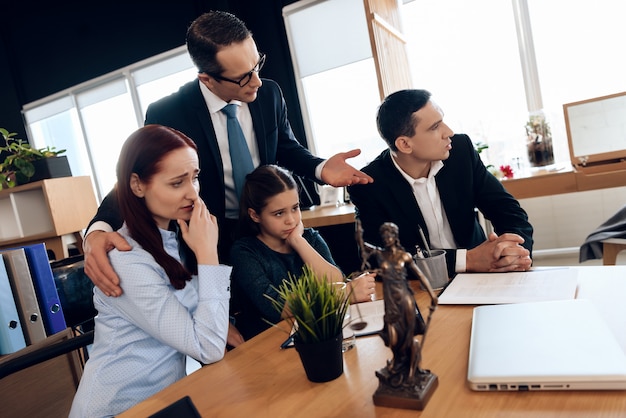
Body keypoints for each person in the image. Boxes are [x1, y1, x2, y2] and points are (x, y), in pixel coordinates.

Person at [84, 10, 373, 299]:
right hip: (210, 236)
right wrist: (98, 228)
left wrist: (321, 168)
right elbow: (138, 174)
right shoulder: (170, 112)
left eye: (257, 65)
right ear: (207, 79)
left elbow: (285, 148)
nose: (257, 81)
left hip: (267, 226)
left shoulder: (269, 94)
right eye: (244, 77)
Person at [69, 125, 231, 417]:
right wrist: (208, 253)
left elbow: (202, 320)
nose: (193, 194)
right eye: (176, 183)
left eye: (195, 179)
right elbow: (207, 347)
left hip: (163, 403)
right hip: (117, 410)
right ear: (137, 185)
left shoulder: (174, 236)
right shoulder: (127, 259)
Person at [347, 89, 533, 277]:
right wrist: (466, 260)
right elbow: (377, 258)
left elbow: (508, 211)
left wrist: (513, 253)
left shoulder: (460, 151)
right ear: (404, 144)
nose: (449, 132)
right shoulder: (369, 183)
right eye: (435, 127)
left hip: (481, 275)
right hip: (422, 286)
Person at [229, 164, 375, 340]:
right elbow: (278, 307)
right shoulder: (244, 252)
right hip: (270, 343)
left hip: (316, 334)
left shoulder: (308, 238)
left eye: (295, 208)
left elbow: (337, 280)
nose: (290, 220)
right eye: (278, 213)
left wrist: (298, 242)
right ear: (255, 215)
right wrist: (346, 293)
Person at [356, 220, 438, 388]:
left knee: (408, 334)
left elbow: (421, 275)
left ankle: (410, 368)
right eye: (383, 235)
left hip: (405, 298)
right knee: (393, 336)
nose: (386, 238)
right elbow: (364, 246)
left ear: (395, 236)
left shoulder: (404, 256)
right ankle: (398, 362)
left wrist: (432, 295)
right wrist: (358, 232)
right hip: (390, 300)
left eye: (389, 235)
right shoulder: (381, 255)